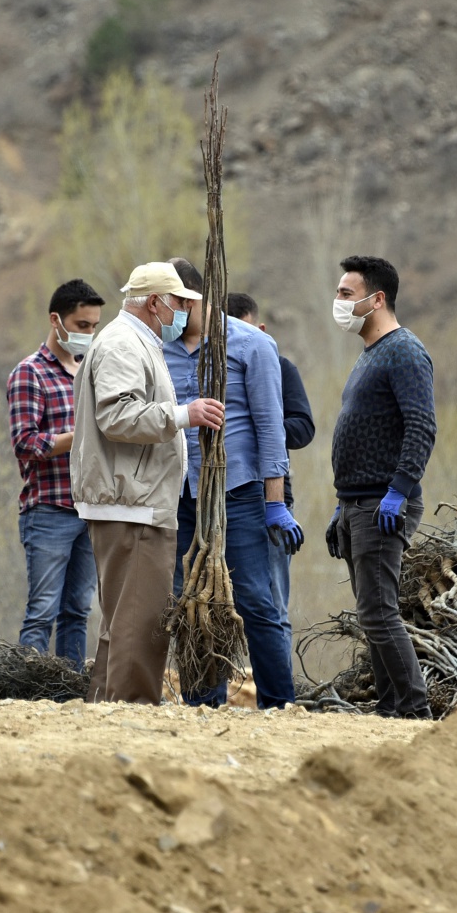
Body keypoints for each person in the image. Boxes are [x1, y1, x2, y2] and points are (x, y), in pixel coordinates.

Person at [71, 262, 223, 705]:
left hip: (130, 503)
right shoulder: (123, 344)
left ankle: (106, 712)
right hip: (132, 506)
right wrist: (184, 415)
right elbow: (116, 415)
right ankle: (132, 715)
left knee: (121, 625)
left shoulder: (137, 342)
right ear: (155, 302)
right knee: (141, 625)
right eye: (179, 303)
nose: (185, 313)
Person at [162, 259, 302, 709]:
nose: (168, 314)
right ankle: (203, 704)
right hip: (182, 495)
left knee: (258, 603)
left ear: (191, 298)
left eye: (172, 304)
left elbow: (270, 425)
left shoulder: (251, 344)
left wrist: (274, 501)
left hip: (238, 492)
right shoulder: (158, 348)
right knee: (193, 602)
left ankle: (278, 704)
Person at [325, 255, 435, 720]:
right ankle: (391, 709)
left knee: (378, 611)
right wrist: (341, 504)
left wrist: (400, 489)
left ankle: (415, 709)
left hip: (383, 502)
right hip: (358, 501)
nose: (338, 302)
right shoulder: (370, 354)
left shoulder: (405, 350)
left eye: (346, 294)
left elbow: (421, 425)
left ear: (377, 298)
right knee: (373, 614)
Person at [7, 280, 106, 666]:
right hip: (48, 510)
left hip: (89, 509)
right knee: (42, 612)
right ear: (56, 320)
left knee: (77, 612)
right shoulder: (29, 373)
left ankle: (68, 692)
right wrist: (79, 436)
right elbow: (26, 444)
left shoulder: (90, 373)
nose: (89, 334)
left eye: (94, 326)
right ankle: (27, 690)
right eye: (82, 325)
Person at [227, 292, 315, 615]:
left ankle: (274, 667)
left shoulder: (280, 367)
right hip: (223, 497)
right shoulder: (211, 369)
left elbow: (303, 428)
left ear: (260, 329)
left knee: (273, 602)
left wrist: (260, 428)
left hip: (271, 497)